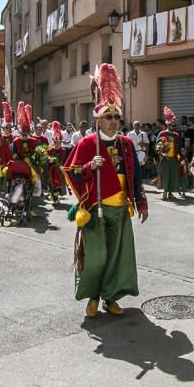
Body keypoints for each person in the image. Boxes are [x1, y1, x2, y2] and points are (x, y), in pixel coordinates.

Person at [64, 63, 147, 318]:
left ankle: (110, 297)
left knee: (117, 258)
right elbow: (71, 172)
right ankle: (92, 296)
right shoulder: (89, 143)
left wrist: (141, 201)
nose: (113, 122)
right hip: (96, 209)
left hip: (121, 209)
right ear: (97, 120)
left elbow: (135, 175)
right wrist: (90, 166)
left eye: (116, 117)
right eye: (107, 117)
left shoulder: (125, 143)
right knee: (96, 257)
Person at [9, 102, 41, 218]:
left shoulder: (34, 141)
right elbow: (13, 153)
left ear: (28, 132)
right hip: (20, 166)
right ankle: (15, 202)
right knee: (17, 183)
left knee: (34, 183)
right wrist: (18, 160)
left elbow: (37, 153)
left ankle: (31, 206)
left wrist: (34, 158)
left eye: (26, 133)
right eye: (22, 133)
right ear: (20, 132)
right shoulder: (16, 141)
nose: (24, 135)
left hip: (31, 165)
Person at [156, 109, 183, 200]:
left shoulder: (176, 135)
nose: (173, 127)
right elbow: (157, 145)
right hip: (165, 159)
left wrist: (182, 157)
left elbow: (179, 148)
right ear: (167, 125)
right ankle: (165, 192)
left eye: (174, 125)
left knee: (173, 176)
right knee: (166, 175)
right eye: (172, 125)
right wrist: (162, 153)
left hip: (174, 158)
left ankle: (171, 192)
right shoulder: (162, 133)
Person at [46, 122, 69, 205]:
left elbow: (64, 160)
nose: (58, 144)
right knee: (52, 184)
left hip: (59, 169)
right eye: (56, 142)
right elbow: (46, 160)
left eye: (59, 142)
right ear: (53, 142)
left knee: (59, 184)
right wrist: (49, 160)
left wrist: (63, 166)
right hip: (51, 170)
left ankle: (56, 196)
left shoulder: (63, 150)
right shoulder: (50, 150)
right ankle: (54, 198)